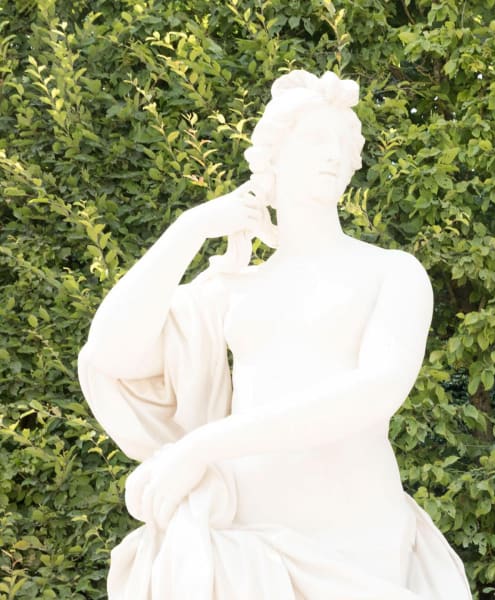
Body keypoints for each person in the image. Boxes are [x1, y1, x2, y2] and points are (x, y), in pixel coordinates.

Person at [78, 70, 472, 599]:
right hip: (247, 543)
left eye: (343, 143)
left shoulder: (392, 272)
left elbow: (375, 391)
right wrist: (189, 229)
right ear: (272, 156)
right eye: (315, 140)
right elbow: (111, 353)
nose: (332, 154)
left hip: (355, 535)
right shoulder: (234, 288)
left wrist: (202, 447)